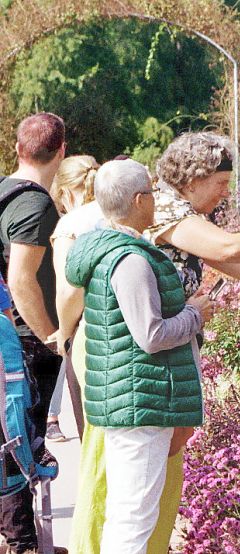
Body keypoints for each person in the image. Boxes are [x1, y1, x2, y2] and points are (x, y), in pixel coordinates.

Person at [69, 132, 240, 554]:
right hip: (137, 357)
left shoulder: (187, 214)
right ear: (194, 178)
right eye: (220, 184)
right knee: (127, 483)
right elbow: (230, 247)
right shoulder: (166, 209)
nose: (224, 194)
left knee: (148, 479)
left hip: (157, 355)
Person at [65, 159, 215, 553]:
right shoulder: (130, 260)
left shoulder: (109, 249)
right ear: (138, 200)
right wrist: (196, 315)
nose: (156, 199)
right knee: (134, 518)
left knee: (126, 511)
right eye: (152, 192)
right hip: (142, 403)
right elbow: (150, 335)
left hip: (130, 398)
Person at [0, 112, 67, 554]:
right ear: (60, 151)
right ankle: (21, 543)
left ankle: (18, 539)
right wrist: (50, 336)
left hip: (10, 333)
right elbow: (22, 279)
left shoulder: (5, 189)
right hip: (24, 340)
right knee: (21, 440)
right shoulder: (35, 203)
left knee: (12, 437)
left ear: (18, 148)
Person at [45, 155, 99, 442]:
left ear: (64, 192)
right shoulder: (119, 212)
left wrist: (64, 335)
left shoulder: (70, 226)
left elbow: (69, 289)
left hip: (89, 334)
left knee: (92, 435)